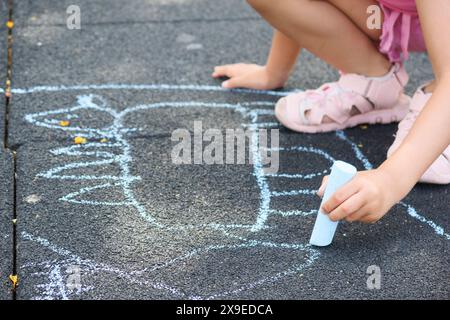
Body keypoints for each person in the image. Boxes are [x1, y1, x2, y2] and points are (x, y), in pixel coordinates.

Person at [212, 0, 450, 223]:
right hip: (384, 17)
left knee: (422, 157)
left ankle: (437, 97)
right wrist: (274, 71)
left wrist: (390, 179)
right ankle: (371, 78)